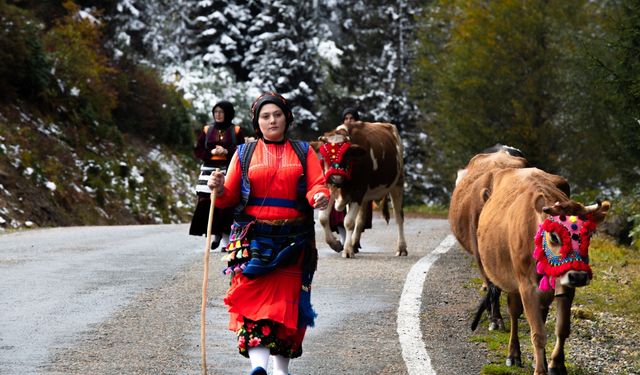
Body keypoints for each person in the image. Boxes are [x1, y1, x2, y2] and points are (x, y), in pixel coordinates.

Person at [207, 92, 329, 375]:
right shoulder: (244, 154)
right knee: (253, 304)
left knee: (286, 307)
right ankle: (258, 368)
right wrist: (219, 186)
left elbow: (317, 185)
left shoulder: (303, 152)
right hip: (253, 241)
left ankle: (280, 371)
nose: (272, 120)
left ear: (287, 117)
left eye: (277, 114)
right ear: (257, 122)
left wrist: (320, 196)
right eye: (265, 116)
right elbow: (228, 197)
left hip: (294, 241)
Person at [189, 100, 246, 250]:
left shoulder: (237, 131)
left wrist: (227, 152)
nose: (218, 115)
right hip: (209, 169)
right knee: (207, 202)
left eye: (221, 112)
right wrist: (211, 152)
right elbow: (198, 149)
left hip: (228, 169)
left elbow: (242, 150)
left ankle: (226, 238)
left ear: (228, 113)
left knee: (226, 203)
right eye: (216, 112)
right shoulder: (207, 130)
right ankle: (216, 233)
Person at [328, 107, 373, 248]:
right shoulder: (336, 135)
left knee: (359, 205)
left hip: (357, 178)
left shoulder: (363, 137)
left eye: (352, 118)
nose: (349, 121)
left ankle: (355, 237)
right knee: (338, 209)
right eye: (346, 118)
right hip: (340, 179)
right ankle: (343, 238)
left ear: (357, 120)